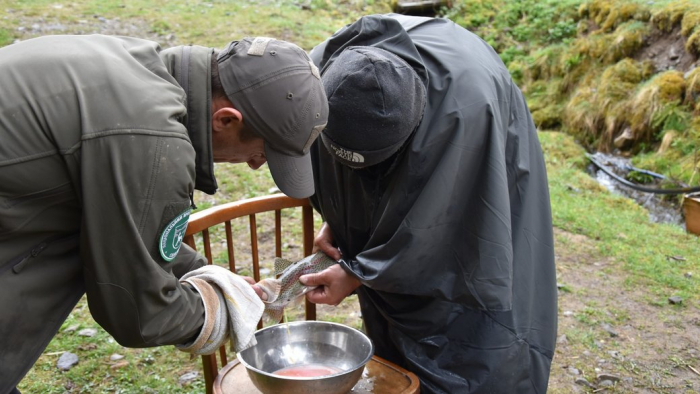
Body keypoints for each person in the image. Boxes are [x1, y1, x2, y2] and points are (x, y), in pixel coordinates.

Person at [0, 35, 328, 393]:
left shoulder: (138, 64)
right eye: (262, 154)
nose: (253, 166)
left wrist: (207, 273)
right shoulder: (151, 143)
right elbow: (139, 311)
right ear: (226, 120)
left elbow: (123, 223)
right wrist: (222, 309)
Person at [300, 14, 557, 393]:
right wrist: (338, 214)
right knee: (395, 358)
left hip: (474, 159)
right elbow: (343, 170)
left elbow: (441, 223)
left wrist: (357, 273)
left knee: (479, 349)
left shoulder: (465, 115)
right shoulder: (325, 76)